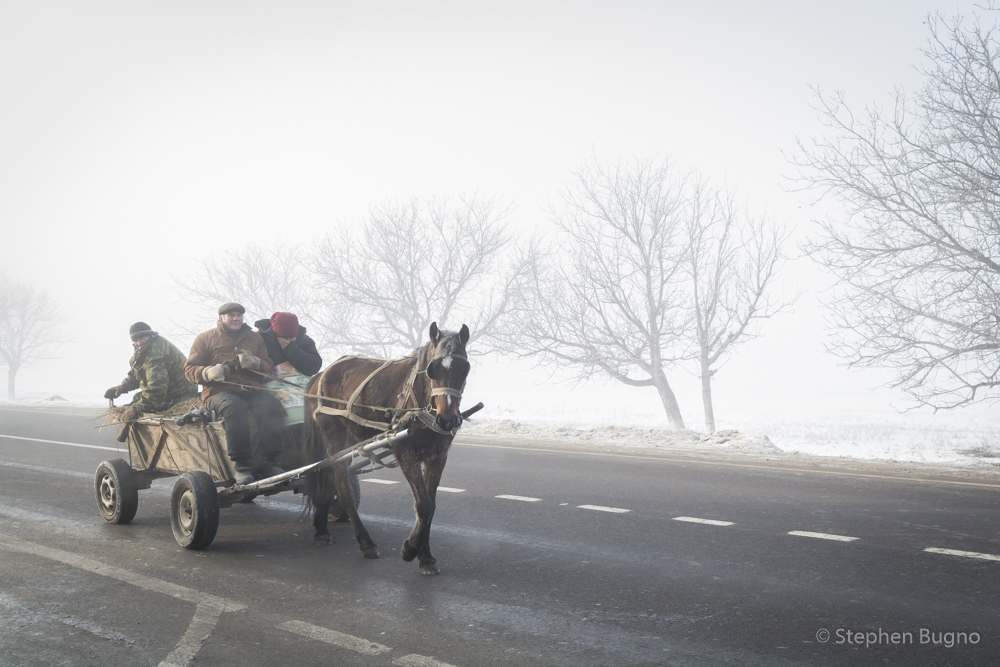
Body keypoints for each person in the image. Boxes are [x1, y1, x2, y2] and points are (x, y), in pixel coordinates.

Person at [183, 302, 286, 484]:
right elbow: (189, 370)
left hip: (252, 389)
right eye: (231, 315)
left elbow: (269, 369)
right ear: (221, 317)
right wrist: (207, 372)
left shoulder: (255, 338)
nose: (236, 318)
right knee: (235, 408)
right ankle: (242, 466)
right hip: (217, 392)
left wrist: (256, 363)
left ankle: (269, 462)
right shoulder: (205, 338)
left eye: (239, 315)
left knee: (272, 406)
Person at [104, 322, 197, 421]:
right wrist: (122, 387)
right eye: (136, 340)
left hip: (181, 393)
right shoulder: (142, 351)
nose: (139, 343)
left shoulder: (156, 352)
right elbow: (137, 374)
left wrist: (137, 408)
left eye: (142, 338)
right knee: (136, 399)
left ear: (150, 336)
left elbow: (157, 389)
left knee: (138, 404)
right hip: (168, 391)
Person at [253, 311, 322, 376]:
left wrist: (291, 349)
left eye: (292, 337)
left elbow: (314, 367)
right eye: (286, 338)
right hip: (263, 381)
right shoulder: (260, 339)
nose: (291, 340)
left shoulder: (304, 341)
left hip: (297, 382)